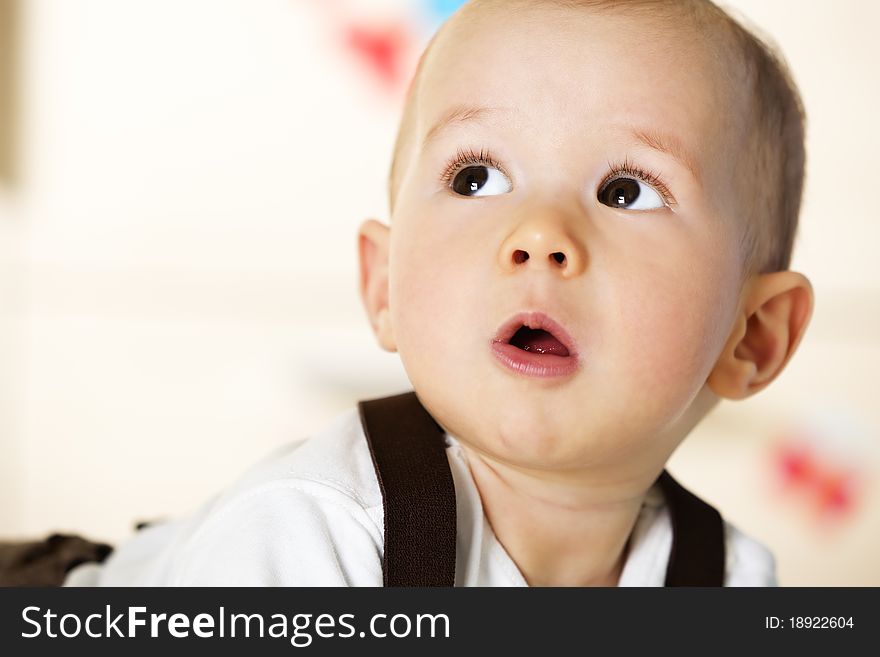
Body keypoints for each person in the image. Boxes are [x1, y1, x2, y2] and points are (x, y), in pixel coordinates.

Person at [65, 0, 813, 587]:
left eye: (625, 191)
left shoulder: (726, 579)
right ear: (383, 284)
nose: (540, 233)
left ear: (752, 336)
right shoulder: (314, 534)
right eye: (475, 177)